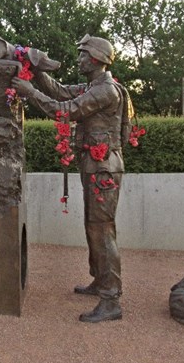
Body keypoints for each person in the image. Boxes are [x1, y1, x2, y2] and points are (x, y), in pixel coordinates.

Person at [11, 34, 130, 323]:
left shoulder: (106, 92)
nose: (78, 59)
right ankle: (101, 281)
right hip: (95, 166)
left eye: (82, 54)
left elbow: (66, 111)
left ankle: (111, 298)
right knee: (94, 227)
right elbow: (62, 92)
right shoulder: (94, 86)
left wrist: (29, 92)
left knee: (102, 230)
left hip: (103, 168)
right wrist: (35, 68)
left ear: (96, 59)